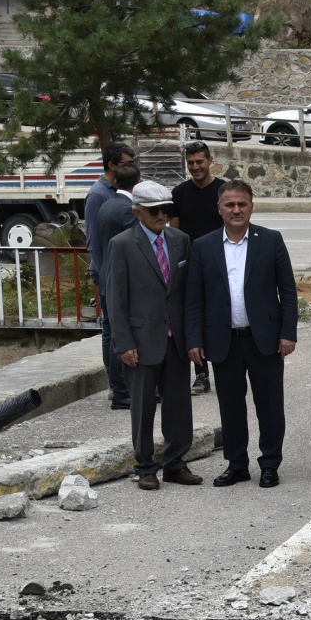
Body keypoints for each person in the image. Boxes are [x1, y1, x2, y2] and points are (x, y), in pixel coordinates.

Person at [185, 180, 298, 489]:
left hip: (265, 340)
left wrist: (288, 333)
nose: (236, 210)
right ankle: (237, 465)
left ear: (251, 206)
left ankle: (270, 464)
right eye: (230, 204)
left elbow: (287, 292)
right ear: (219, 208)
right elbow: (194, 299)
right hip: (223, 342)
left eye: (242, 204)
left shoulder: (271, 240)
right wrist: (193, 339)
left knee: (270, 407)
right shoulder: (203, 246)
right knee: (231, 407)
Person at [104, 181, 200, 490]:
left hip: (175, 340)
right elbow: (115, 298)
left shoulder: (180, 240)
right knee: (143, 407)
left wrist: (193, 336)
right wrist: (124, 342)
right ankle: (145, 466)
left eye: (165, 209)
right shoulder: (121, 245)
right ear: (137, 212)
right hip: (141, 342)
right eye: (154, 210)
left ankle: (175, 462)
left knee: (178, 405)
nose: (162, 215)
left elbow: (187, 293)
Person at [170, 141, 227, 398]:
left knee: (222, 316)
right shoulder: (179, 193)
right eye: (191, 163)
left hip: (222, 265)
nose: (195, 167)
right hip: (191, 267)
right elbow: (175, 234)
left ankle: (228, 368)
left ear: (210, 160)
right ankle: (201, 374)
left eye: (199, 162)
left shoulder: (224, 190)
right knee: (194, 318)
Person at [90, 159, 140, 409]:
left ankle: (119, 388)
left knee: (112, 332)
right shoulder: (128, 210)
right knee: (121, 334)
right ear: (137, 183)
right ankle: (122, 391)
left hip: (107, 274)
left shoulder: (106, 205)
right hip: (122, 278)